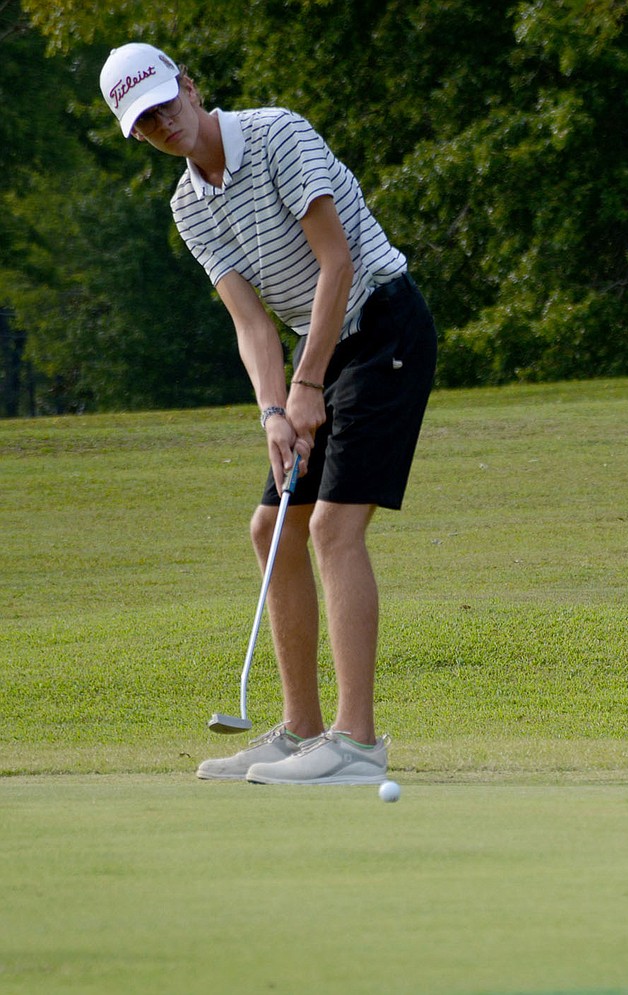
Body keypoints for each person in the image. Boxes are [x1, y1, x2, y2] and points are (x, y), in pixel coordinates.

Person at [100, 43, 437, 785]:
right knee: (270, 526)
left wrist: (309, 382)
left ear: (189, 86)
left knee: (331, 527)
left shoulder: (279, 134)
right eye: (142, 122)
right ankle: (300, 731)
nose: (160, 124)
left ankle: (356, 742)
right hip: (325, 354)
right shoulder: (189, 206)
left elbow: (337, 262)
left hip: (384, 328)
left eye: (164, 104)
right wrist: (274, 412)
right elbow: (252, 325)